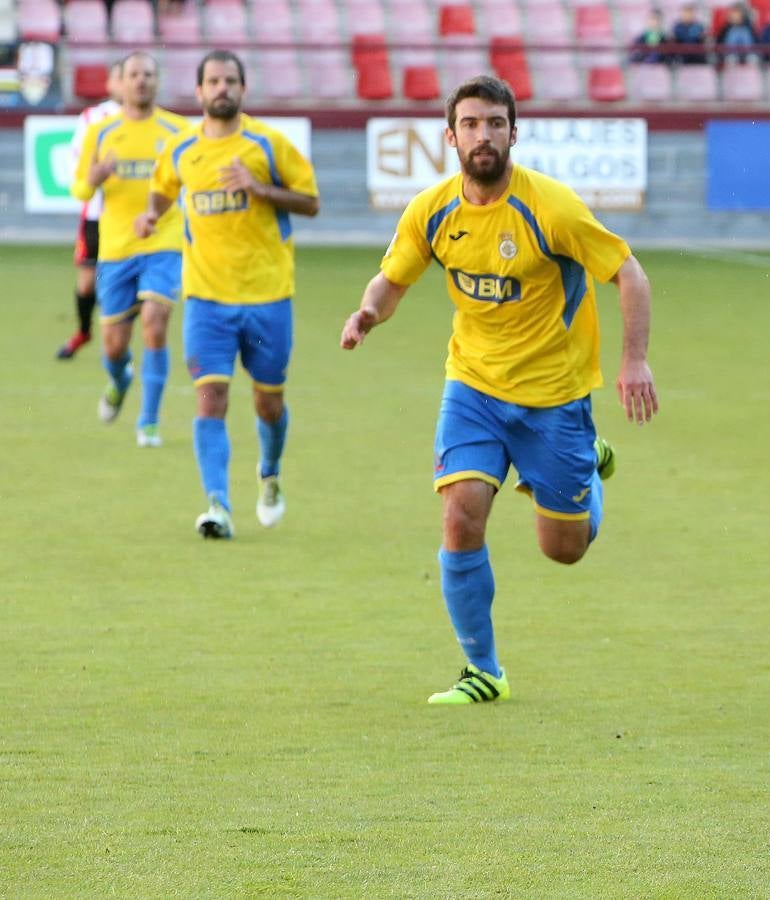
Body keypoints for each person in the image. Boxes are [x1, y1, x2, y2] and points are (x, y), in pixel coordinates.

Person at [339, 75, 658, 706]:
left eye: (494, 124)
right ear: (450, 136)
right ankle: (483, 669)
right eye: (471, 124)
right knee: (459, 515)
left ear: (515, 131)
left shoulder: (551, 208)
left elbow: (628, 272)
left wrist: (634, 360)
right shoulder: (432, 211)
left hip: (554, 397)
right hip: (473, 387)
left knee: (562, 550)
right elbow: (391, 278)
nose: (482, 136)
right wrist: (367, 313)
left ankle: (588, 465)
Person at [138, 49, 320, 538]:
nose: (222, 88)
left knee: (268, 405)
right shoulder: (181, 150)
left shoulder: (267, 144)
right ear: (198, 92)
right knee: (210, 398)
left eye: (230, 80)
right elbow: (161, 188)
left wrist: (260, 189)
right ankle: (217, 503)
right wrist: (152, 215)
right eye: (213, 81)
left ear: (243, 88)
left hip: (267, 299)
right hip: (206, 301)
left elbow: (310, 202)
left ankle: (269, 472)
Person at [70, 52, 189, 447]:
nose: (141, 81)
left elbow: (196, 177)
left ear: (158, 81)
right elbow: (80, 191)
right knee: (114, 345)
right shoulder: (101, 132)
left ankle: (149, 421)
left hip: (164, 241)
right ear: (120, 82)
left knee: (156, 322)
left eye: (149, 74)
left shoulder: (177, 129)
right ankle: (120, 380)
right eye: (134, 74)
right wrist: (94, 177)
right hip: (116, 247)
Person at [56, 59, 123, 361]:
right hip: (96, 215)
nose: (131, 83)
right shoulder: (93, 118)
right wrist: (94, 175)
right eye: (123, 76)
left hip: (131, 217)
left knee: (124, 283)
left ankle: (120, 343)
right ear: (111, 84)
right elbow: (76, 167)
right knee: (87, 283)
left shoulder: (152, 122)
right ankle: (83, 331)